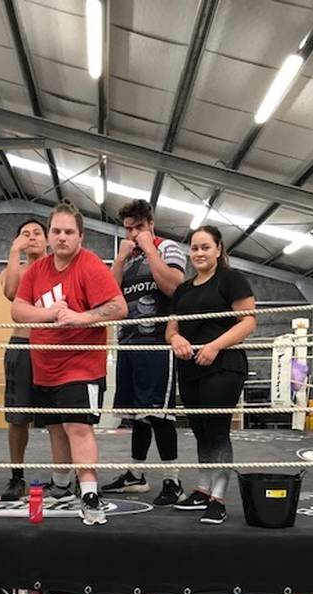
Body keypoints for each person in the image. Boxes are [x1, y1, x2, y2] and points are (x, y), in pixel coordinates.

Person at [12, 202, 127, 526]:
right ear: (49, 235)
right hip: (45, 365)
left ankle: (89, 492)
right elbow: (18, 310)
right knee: (55, 428)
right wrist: (48, 314)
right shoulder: (37, 270)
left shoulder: (89, 265)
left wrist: (81, 316)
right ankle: (61, 485)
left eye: (69, 232)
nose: (62, 237)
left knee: (78, 426)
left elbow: (119, 307)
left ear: (81, 236)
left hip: (81, 363)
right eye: (57, 231)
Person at [166, 225, 256, 524]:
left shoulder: (231, 279)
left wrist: (215, 346)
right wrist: (176, 339)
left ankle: (218, 498)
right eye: (194, 248)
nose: (200, 253)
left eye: (206, 247)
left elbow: (248, 322)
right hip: (190, 367)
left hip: (224, 364)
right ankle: (203, 489)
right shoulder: (183, 288)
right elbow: (172, 327)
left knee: (217, 431)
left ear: (218, 249)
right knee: (201, 431)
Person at [102, 199, 186, 506]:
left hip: (158, 345)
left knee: (159, 413)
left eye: (138, 227)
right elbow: (109, 298)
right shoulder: (127, 254)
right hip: (128, 344)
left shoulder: (168, 248)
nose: (133, 234)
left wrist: (149, 248)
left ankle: (173, 481)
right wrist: (120, 261)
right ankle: (136, 474)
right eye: (128, 228)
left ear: (150, 224)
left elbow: (174, 288)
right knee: (137, 414)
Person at [0, 219, 48, 501]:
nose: (31, 238)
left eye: (37, 233)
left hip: (53, 346)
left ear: (47, 239)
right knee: (18, 417)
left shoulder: (58, 267)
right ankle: (16, 476)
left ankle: (65, 478)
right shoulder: (14, 268)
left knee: (62, 418)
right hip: (22, 344)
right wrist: (14, 253)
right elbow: (10, 292)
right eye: (25, 234)